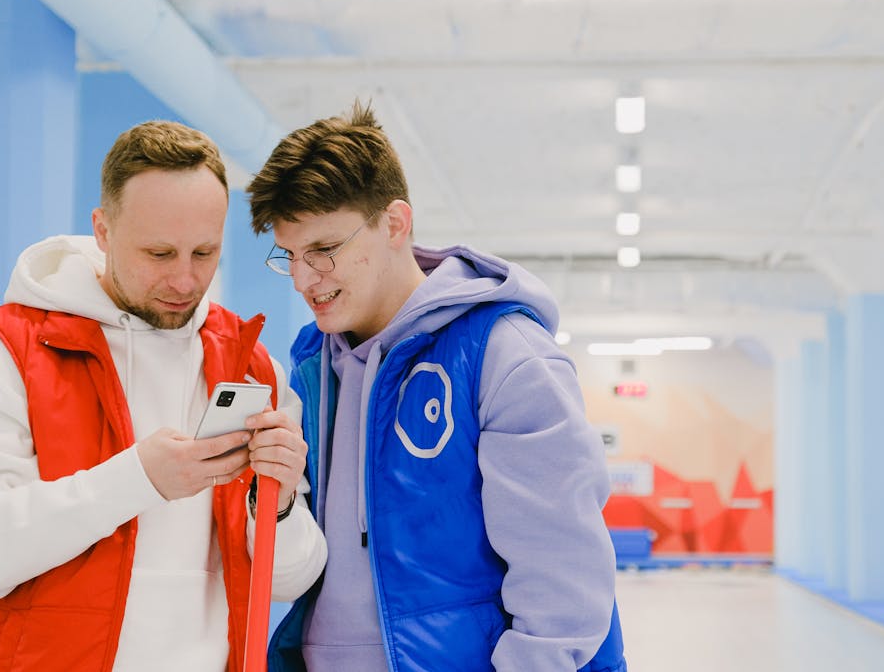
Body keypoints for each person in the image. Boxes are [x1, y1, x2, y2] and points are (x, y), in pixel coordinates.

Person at [0, 120, 327, 672]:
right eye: (159, 254)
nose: (186, 281)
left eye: (204, 253)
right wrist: (136, 479)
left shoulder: (251, 366)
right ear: (103, 230)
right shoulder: (9, 353)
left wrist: (276, 503)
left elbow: (291, 578)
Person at [246, 102, 627, 671]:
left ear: (395, 224)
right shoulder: (309, 366)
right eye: (291, 256)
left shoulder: (503, 355)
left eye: (324, 250)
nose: (304, 279)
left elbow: (563, 582)